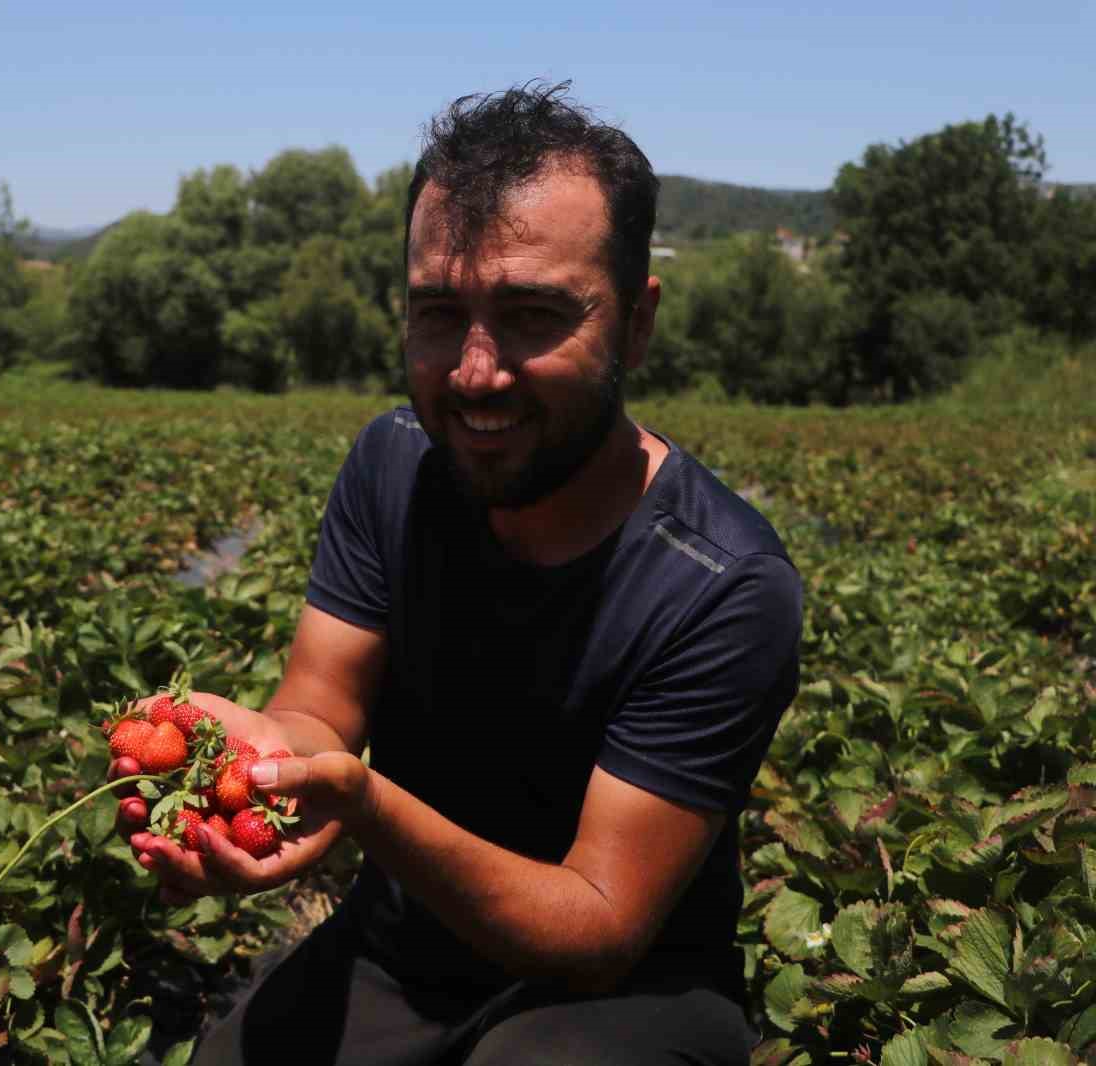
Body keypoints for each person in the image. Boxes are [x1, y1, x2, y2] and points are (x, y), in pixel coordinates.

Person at [118, 82, 803, 1065]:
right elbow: (321, 701)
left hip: (627, 998)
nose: (475, 372)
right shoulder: (392, 465)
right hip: (402, 956)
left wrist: (360, 806)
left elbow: (597, 926)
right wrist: (266, 760)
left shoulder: (722, 584)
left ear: (638, 323)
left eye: (532, 315)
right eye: (439, 313)